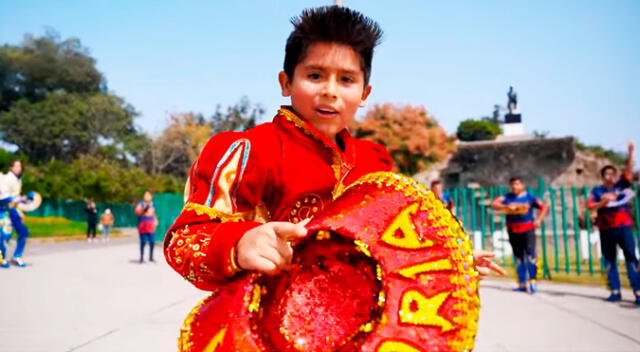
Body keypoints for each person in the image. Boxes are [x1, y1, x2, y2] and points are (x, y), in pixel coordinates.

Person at [164, 5, 502, 304]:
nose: (329, 91)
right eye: (314, 75)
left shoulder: (375, 163)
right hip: (264, 333)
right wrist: (239, 245)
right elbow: (185, 240)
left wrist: (448, 265)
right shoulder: (248, 150)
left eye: (346, 80)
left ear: (364, 92)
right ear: (286, 83)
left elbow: (395, 251)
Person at [586, 141, 639, 305]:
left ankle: (637, 291)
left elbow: (628, 172)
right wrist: (603, 202)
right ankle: (615, 291)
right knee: (609, 259)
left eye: (612, 174)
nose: (610, 176)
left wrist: (630, 153)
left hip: (623, 227)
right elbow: (589, 206)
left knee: (631, 258)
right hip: (606, 228)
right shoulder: (597, 191)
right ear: (602, 177)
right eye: (607, 174)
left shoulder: (621, 185)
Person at [492, 176, 548, 293]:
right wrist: (506, 206)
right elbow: (495, 204)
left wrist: (539, 220)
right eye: (512, 184)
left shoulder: (530, 198)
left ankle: (532, 281)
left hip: (527, 230)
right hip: (512, 230)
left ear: (522, 185)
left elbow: (543, 207)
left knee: (531, 255)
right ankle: (522, 283)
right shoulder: (507, 197)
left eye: (517, 184)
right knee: (518, 257)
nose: (514, 187)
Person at [0, 160, 30, 268]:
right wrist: (21, 199)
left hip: (13, 209)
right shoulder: (5, 178)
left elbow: (15, 198)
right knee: (4, 236)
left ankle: (17, 255)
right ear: (11, 167)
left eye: (20, 166)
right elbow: (5, 197)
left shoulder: (18, 179)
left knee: (23, 232)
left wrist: (23, 204)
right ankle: (1, 257)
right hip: (3, 210)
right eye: (16, 166)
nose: (19, 168)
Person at [135, 190, 157, 263]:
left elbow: (154, 214)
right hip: (143, 224)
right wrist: (143, 209)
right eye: (145, 195)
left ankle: (151, 257)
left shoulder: (153, 204)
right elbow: (137, 212)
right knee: (143, 242)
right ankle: (141, 258)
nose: (146, 196)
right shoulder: (141, 204)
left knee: (152, 241)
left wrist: (155, 220)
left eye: (148, 195)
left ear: (151, 197)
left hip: (150, 225)